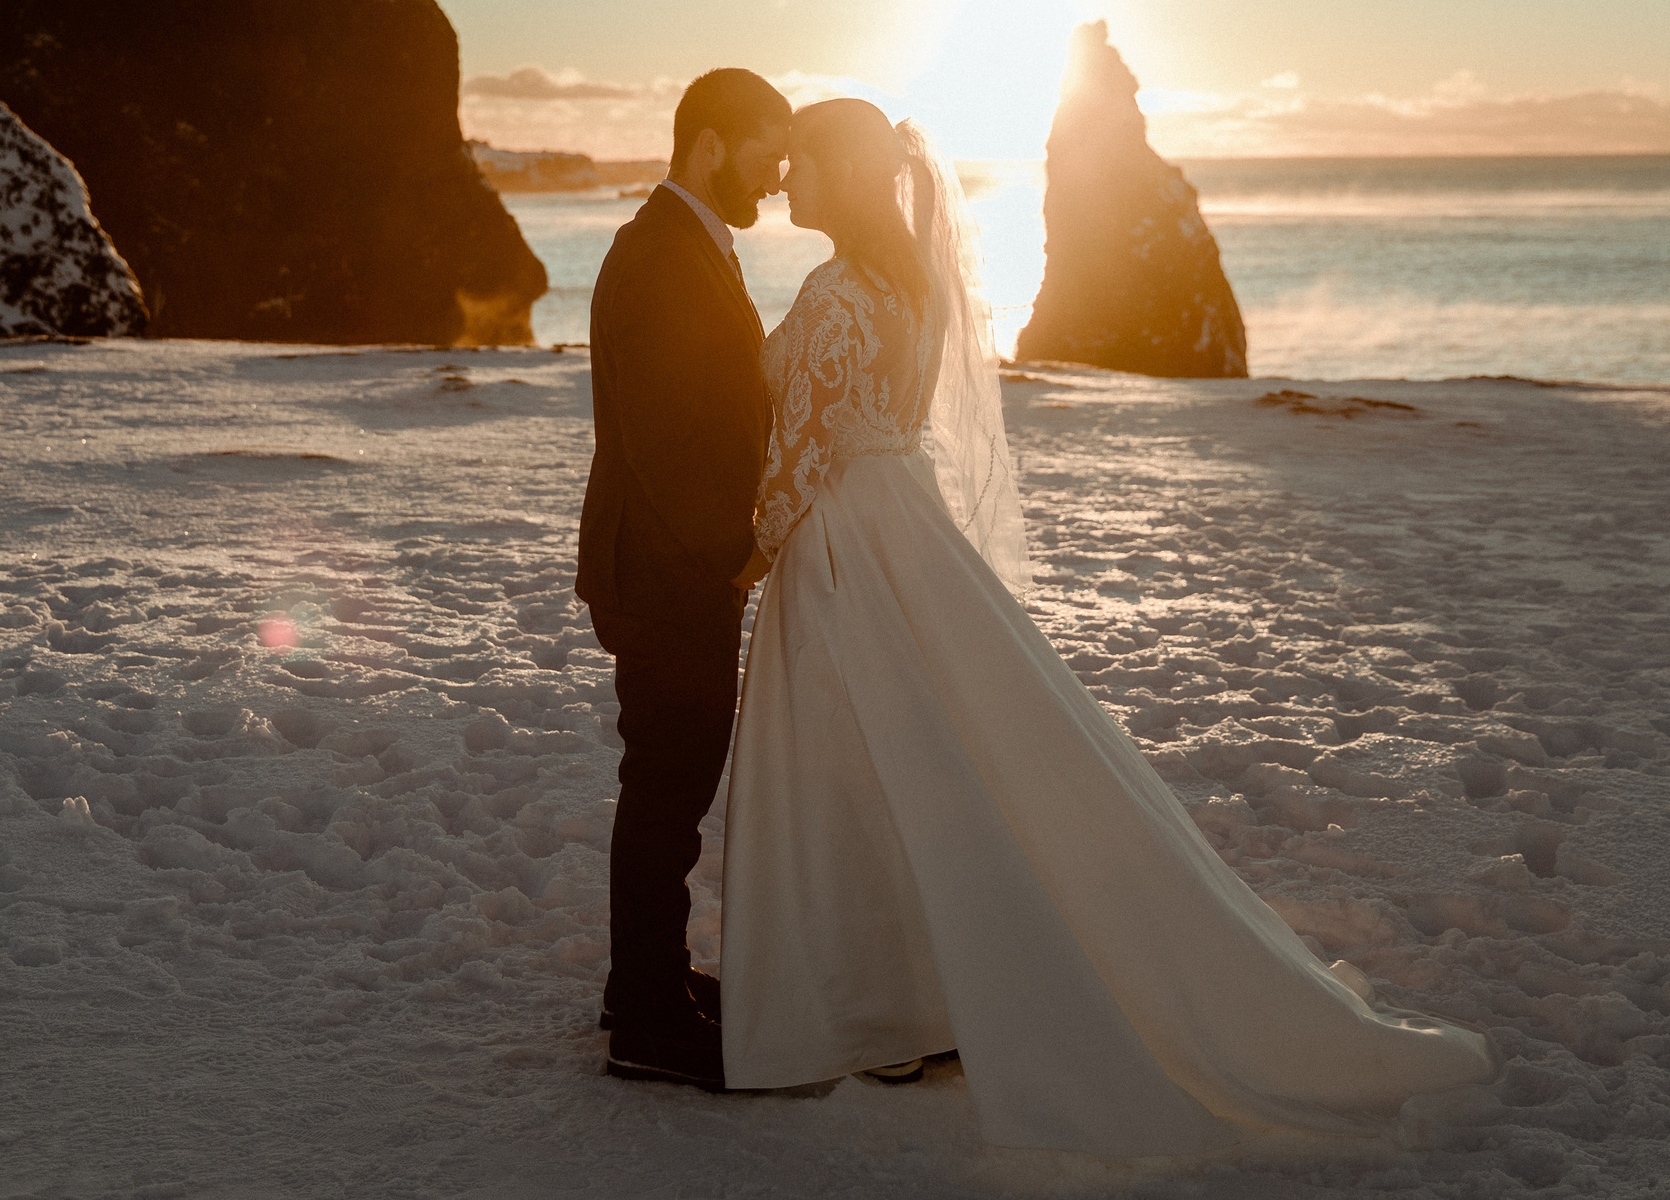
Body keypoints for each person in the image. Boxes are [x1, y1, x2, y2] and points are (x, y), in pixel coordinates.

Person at [717, 97, 1497, 1154]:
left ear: (841, 173)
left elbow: (803, 456)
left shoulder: (831, 293)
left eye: (800, 163)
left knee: (847, 764)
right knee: (926, 759)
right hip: (912, 527)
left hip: (846, 544)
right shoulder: (912, 286)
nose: (783, 182)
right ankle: (919, 999)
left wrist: (750, 557)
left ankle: (873, 1008)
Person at [576, 67, 791, 1090]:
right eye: (766, 151)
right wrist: (732, 549)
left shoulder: (684, 241)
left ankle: (645, 983)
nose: (779, 174)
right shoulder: (660, 253)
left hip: (668, 561)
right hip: (666, 565)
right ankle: (648, 1021)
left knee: (670, 777)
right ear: (709, 143)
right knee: (667, 783)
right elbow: (663, 438)